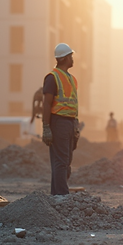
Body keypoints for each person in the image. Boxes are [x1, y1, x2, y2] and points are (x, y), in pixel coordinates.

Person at [41, 43, 80, 196]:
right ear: (64, 58)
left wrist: (75, 126)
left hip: (69, 123)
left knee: (66, 162)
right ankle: (62, 196)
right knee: (61, 161)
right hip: (59, 122)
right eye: (70, 56)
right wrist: (46, 127)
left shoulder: (72, 79)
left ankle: (56, 194)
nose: (72, 58)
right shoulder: (52, 78)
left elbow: (74, 104)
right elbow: (46, 104)